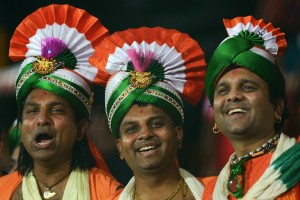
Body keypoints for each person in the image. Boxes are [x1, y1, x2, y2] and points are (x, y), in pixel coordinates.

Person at [0, 4, 123, 200]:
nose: (42, 120)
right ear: (21, 127)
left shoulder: (109, 193)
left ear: (81, 129)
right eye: (31, 111)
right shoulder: (2, 190)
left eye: (56, 110)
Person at [91, 26, 207, 199]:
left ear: (178, 135)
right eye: (131, 129)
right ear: (120, 147)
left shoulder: (217, 191)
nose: (145, 134)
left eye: (156, 124)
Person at [202, 16, 300, 199]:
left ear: (277, 107)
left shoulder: (296, 164)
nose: (233, 96)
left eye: (247, 87)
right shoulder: (212, 191)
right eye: (223, 90)